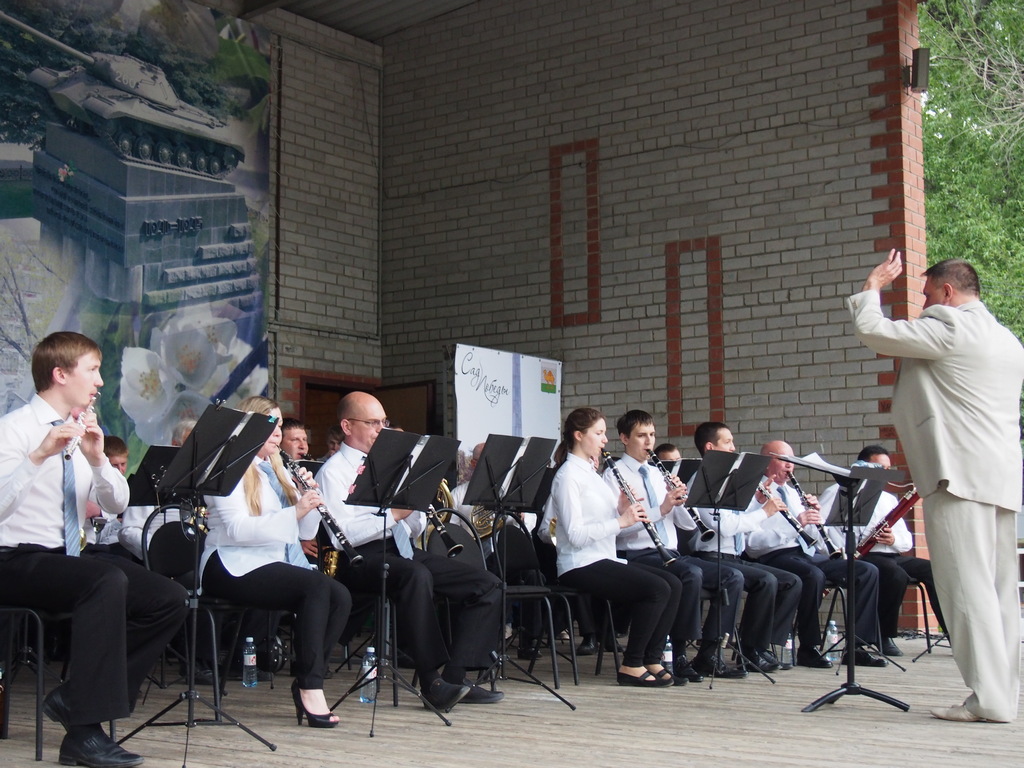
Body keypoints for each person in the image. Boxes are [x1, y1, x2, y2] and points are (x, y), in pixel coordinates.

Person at [849, 251, 1024, 722]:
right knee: (1000, 590)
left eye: (926, 294)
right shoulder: (1008, 340)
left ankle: (987, 699)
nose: (924, 304)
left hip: (959, 476)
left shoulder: (951, 324)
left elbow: (875, 332)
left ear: (947, 292)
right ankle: (1003, 694)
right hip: (1001, 479)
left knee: (965, 590)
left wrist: (873, 286)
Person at [0, 331, 188, 768]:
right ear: (60, 374)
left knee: (169, 598)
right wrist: (39, 456)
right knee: (105, 579)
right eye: (93, 370)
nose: (100, 381)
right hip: (14, 559)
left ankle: (74, 695)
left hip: (66, 560)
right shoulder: (13, 431)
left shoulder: (84, 432)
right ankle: (84, 733)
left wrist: (99, 459)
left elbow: (116, 504)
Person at [309, 391, 504, 711]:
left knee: (487, 583)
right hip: (355, 558)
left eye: (383, 422)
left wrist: (413, 510)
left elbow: (410, 531)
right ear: (347, 426)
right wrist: (394, 515)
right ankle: (431, 681)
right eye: (372, 423)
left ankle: (455, 676)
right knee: (416, 574)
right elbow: (342, 534)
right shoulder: (333, 471)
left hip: (398, 550)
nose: (380, 430)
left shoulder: (389, 466)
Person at [201, 396, 351, 728]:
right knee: (313, 587)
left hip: (268, 562)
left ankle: (307, 677)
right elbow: (238, 531)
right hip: (229, 563)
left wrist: (309, 502)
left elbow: (303, 532)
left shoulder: (276, 469)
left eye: (280, 425)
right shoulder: (227, 466)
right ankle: (311, 688)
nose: (278, 433)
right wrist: (295, 510)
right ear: (248, 426)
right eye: (270, 424)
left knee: (340, 595)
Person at [539, 407, 681, 688]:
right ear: (579, 436)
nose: (605, 440)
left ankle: (652, 658)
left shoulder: (592, 473)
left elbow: (610, 520)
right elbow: (576, 535)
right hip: (578, 564)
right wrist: (620, 520)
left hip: (603, 558)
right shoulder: (567, 476)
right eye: (599, 433)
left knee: (674, 583)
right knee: (657, 589)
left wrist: (627, 509)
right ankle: (631, 664)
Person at [603, 410, 746, 681]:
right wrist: (662, 507)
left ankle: (709, 653)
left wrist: (681, 501)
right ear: (624, 438)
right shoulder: (614, 475)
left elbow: (688, 526)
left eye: (652, 435)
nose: (649, 442)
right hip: (635, 553)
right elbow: (617, 530)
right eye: (641, 436)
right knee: (689, 575)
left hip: (670, 552)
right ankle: (677, 654)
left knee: (732, 576)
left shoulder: (658, 472)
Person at [745, 440, 886, 669]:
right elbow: (751, 543)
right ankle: (809, 648)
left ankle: (857, 646)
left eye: (792, 462)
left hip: (804, 553)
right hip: (771, 555)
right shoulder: (752, 492)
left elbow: (815, 541)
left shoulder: (792, 493)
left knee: (865, 570)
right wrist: (796, 524)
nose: (789, 467)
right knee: (813, 575)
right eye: (783, 460)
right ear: (765, 463)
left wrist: (815, 518)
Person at [689, 422, 801, 672]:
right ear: (710, 447)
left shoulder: (730, 478)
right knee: (745, 579)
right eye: (727, 442)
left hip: (733, 555)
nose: (733, 447)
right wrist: (764, 511)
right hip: (711, 555)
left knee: (786, 580)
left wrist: (757, 504)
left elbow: (743, 522)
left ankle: (755, 649)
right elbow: (724, 526)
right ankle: (709, 654)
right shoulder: (705, 478)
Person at [819, 445, 945, 658]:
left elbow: (907, 542)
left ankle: (953, 633)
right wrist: (844, 553)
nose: (885, 475)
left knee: (933, 570)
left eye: (887, 469)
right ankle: (884, 636)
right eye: (880, 468)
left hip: (891, 553)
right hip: (862, 555)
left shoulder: (888, 498)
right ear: (861, 467)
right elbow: (823, 529)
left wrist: (892, 538)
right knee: (895, 575)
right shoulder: (837, 493)